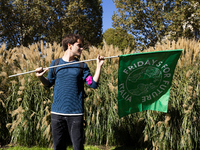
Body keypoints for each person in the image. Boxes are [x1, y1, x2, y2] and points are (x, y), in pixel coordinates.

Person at [35, 34, 104, 150]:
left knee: (77, 147)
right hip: (57, 113)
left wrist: (99, 66)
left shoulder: (82, 65)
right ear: (69, 45)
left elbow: (92, 84)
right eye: (79, 46)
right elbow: (48, 83)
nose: (82, 49)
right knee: (58, 147)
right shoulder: (55, 64)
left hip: (75, 114)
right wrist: (40, 77)